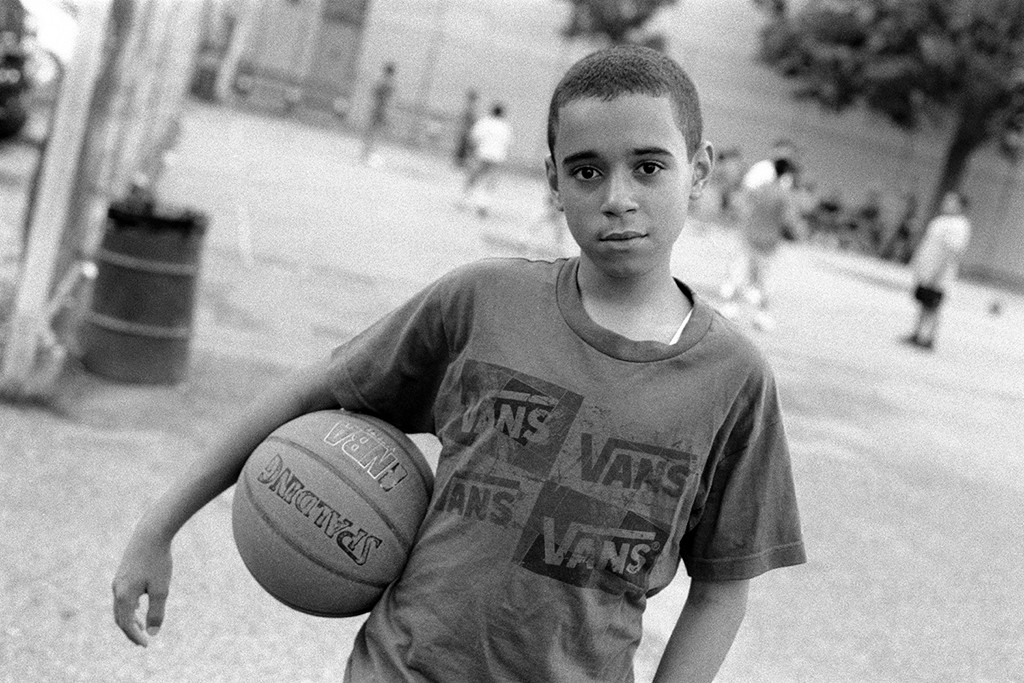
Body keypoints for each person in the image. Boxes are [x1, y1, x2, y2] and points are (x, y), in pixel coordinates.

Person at [112, 45, 806, 682]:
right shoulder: (483, 300)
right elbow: (314, 389)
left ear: (702, 171)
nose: (617, 197)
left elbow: (719, 590)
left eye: (648, 166)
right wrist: (159, 524)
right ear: (554, 182)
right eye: (586, 170)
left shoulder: (733, 379)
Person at [718, 139, 803, 330]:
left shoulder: (761, 188)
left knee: (740, 273)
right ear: (786, 174)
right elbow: (790, 221)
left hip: (750, 235)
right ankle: (761, 315)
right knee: (763, 281)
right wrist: (797, 233)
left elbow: (744, 202)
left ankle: (731, 307)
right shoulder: (784, 195)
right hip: (768, 243)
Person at [903, 190, 972, 351]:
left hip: (939, 273)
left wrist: (937, 273)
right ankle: (917, 333)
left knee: (933, 306)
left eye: (951, 202)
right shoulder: (940, 221)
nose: (946, 204)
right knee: (922, 303)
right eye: (946, 201)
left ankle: (929, 338)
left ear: (960, 206)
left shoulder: (959, 225)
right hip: (927, 269)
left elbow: (952, 251)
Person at [457, 102, 513, 218]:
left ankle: (464, 199)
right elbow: (509, 143)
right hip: (497, 157)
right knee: (489, 182)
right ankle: (483, 204)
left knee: (473, 177)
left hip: (482, 154)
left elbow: (474, 137)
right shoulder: (505, 126)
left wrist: (471, 151)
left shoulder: (484, 122)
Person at [360, 62, 396, 165]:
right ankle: (369, 153)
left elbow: (374, 93)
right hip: (382, 109)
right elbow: (389, 99)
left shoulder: (381, 82)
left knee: (371, 130)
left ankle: (366, 152)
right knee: (376, 132)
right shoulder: (390, 84)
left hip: (377, 108)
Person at [453, 88, 479, 168]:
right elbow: (466, 120)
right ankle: (459, 163)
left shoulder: (469, 108)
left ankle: (460, 163)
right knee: (463, 148)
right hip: (465, 131)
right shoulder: (469, 109)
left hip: (465, 131)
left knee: (463, 148)